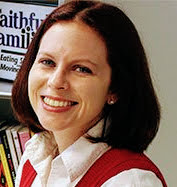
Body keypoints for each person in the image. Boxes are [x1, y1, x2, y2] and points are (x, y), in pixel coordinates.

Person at [11, 1, 167, 186]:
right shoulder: (35, 156)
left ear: (115, 88)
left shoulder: (129, 181)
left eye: (82, 69)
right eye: (48, 62)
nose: (56, 81)